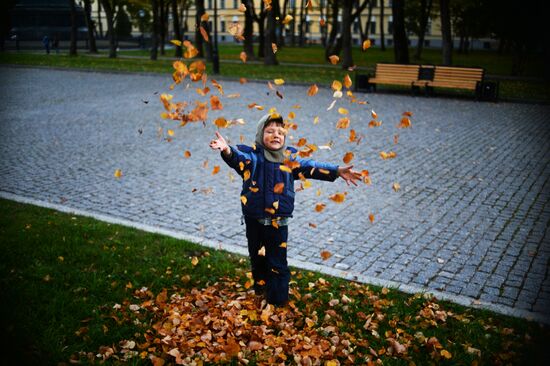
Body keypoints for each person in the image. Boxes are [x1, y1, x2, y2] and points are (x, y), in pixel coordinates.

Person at [209, 113, 361, 306]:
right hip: (254, 221)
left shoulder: (290, 161)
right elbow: (237, 158)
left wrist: (337, 170)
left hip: (278, 223)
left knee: (278, 263)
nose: (276, 135)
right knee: (258, 259)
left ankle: (278, 302)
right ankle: (261, 291)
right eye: (270, 131)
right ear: (260, 134)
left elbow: (312, 167)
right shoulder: (252, 159)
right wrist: (226, 150)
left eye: (280, 132)